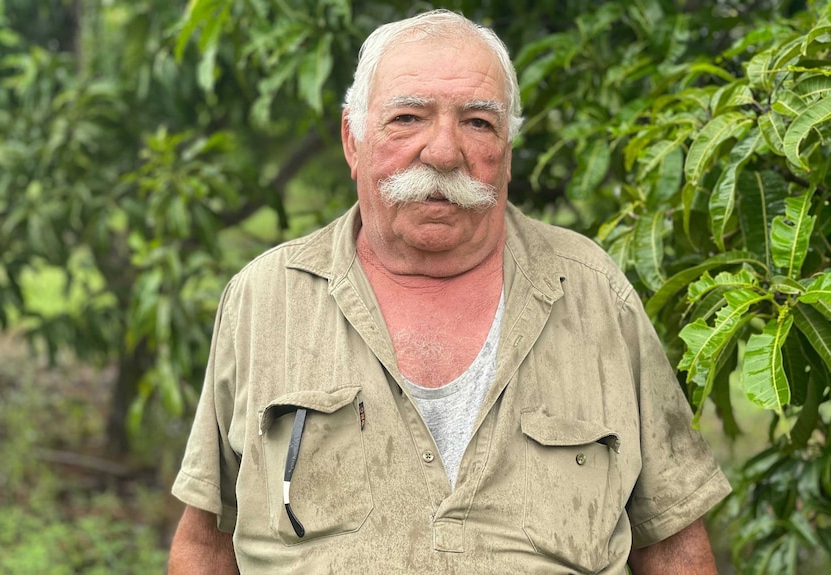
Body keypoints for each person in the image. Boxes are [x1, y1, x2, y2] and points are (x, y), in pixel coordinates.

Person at [168, 9, 731, 574]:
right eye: (408, 117)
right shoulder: (265, 298)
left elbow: (672, 544)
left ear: (507, 150)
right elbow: (206, 542)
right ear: (352, 140)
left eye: (478, 122)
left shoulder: (594, 294)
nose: (443, 152)